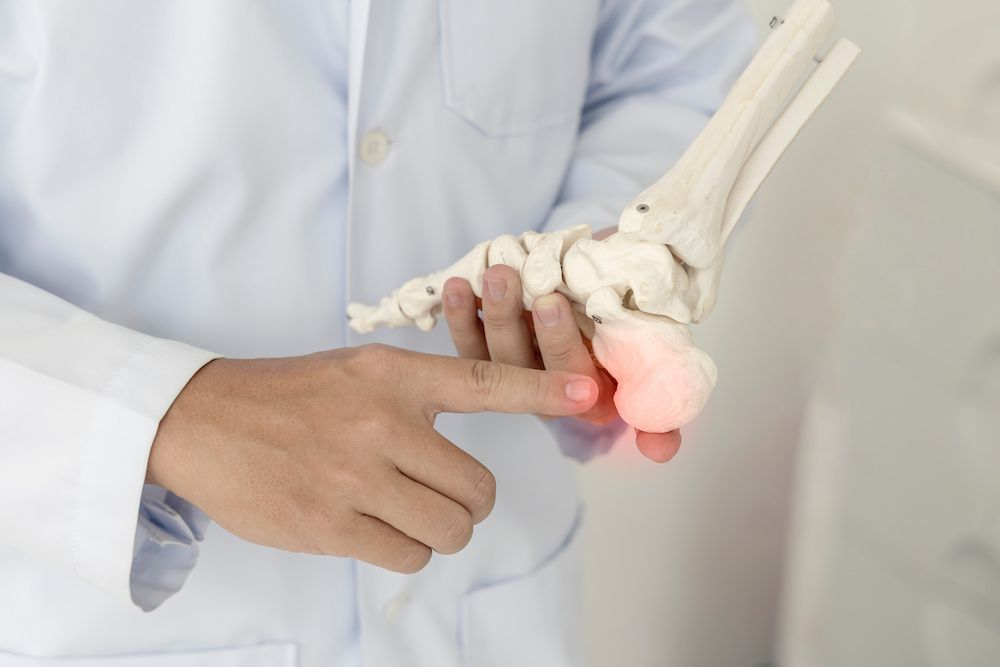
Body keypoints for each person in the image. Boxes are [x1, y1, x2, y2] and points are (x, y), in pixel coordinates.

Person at [0, 1, 755, 664]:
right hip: (99, 608)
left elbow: (677, 65)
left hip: (491, 591)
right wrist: (163, 414)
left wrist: (592, 267)